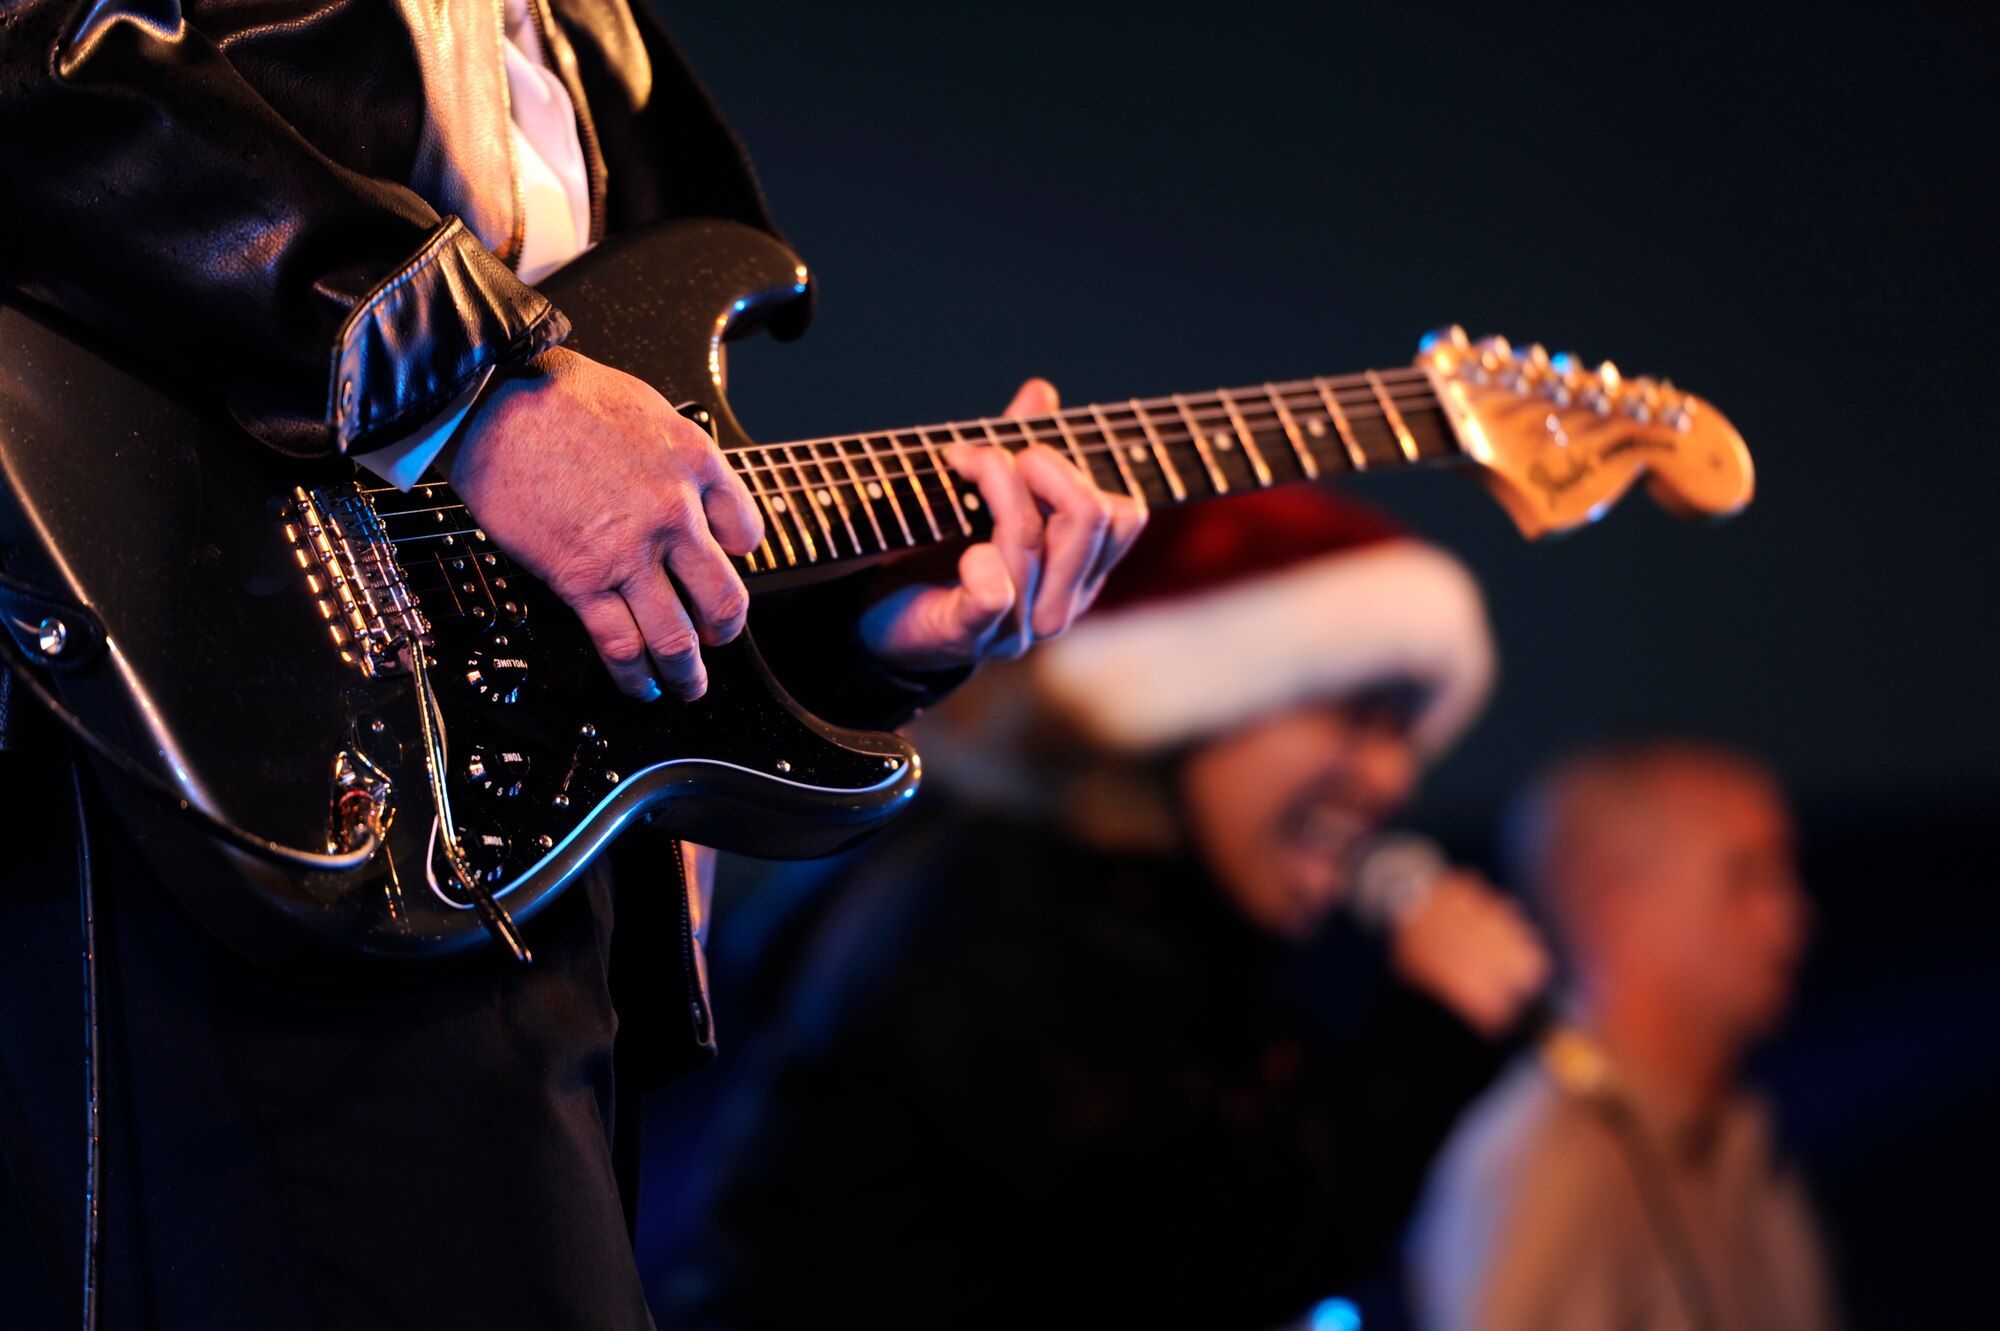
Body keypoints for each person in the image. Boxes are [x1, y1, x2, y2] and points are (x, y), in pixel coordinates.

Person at [0, 4, 1143, 1327]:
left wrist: (853, 628)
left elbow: (579, 528)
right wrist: (477, 387)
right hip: (201, 778)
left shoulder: (602, 46)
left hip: (502, 869)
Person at [658, 488, 1551, 1330]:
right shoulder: (1008, 907)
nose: (1392, 777)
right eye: (1355, 714)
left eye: (1404, 732)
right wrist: (1430, 1034)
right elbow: (1202, 1254)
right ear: (1194, 703)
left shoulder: (1154, 921)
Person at [1407, 738, 1842, 1331]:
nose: (1789, 916)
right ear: (1619, 903)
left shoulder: (1738, 1141)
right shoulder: (1548, 1166)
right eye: (1745, 876)